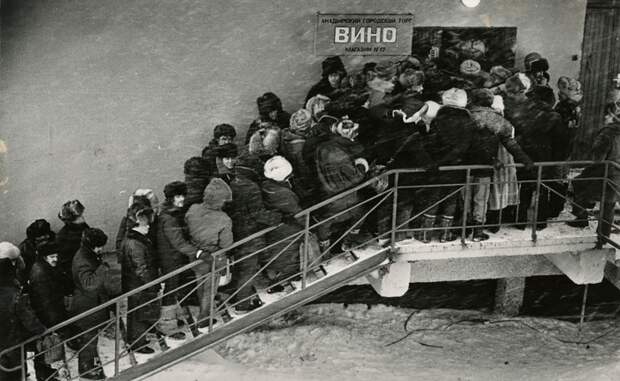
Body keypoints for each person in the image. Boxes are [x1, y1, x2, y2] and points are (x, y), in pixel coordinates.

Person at [468, 89, 534, 239]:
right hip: (484, 164)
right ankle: (477, 231)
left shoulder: (466, 115)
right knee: (480, 198)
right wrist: (526, 160)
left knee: (464, 197)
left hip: (462, 163)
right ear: (490, 102)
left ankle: (462, 228)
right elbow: (510, 143)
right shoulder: (496, 119)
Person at [414, 88, 474, 243]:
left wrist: (436, 161)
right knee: (451, 199)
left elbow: (431, 142)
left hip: (438, 166)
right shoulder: (467, 120)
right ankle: (445, 234)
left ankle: (425, 234)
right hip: (456, 166)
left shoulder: (439, 117)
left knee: (433, 197)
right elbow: (465, 145)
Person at [228, 153, 281, 313]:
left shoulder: (233, 183)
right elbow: (259, 213)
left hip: (237, 232)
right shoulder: (251, 187)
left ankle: (240, 296)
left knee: (245, 266)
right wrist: (278, 217)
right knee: (248, 269)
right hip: (250, 234)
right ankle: (242, 306)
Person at [504, 75, 558, 230]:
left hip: (524, 150)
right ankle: (540, 222)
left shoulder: (510, 107)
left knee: (525, 187)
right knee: (540, 187)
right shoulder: (538, 104)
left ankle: (520, 220)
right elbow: (554, 117)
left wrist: (526, 134)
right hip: (541, 149)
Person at [569, 88, 620, 239]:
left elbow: (597, 158)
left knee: (578, 183)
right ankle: (603, 236)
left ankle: (582, 216)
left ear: (610, 115)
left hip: (607, 173)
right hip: (617, 175)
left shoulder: (607, 133)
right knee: (608, 204)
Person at [315, 116, 371, 251]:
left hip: (327, 192)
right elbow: (356, 177)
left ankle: (324, 249)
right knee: (360, 214)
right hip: (343, 196)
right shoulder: (341, 155)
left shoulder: (322, 147)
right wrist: (362, 165)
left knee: (326, 223)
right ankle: (347, 242)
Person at [156, 181, 201, 339]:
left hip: (173, 259)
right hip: (171, 260)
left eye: (183, 195)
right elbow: (178, 242)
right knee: (171, 290)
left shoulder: (170, 213)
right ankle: (167, 325)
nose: (182, 199)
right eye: (178, 196)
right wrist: (199, 252)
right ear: (171, 198)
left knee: (175, 288)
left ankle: (173, 319)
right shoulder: (169, 218)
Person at [185, 178, 232, 328]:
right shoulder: (223, 219)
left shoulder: (193, 209)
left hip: (196, 256)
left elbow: (186, 228)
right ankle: (204, 319)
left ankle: (202, 311)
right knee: (209, 291)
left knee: (201, 286)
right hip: (213, 259)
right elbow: (226, 244)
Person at [0, 242, 46, 381]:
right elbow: (28, 318)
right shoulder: (14, 294)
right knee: (14, 372)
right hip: (12, 343)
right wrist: (42, 331)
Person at [29, 242, 72, 381]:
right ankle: (46, 376)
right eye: (52, 256)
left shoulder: (44, 268)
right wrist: (54, 325)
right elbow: (46, 302)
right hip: (47, 320)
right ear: (44, 258)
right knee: (45, 351)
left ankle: (48, 375)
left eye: (56, 256)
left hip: (48, 317)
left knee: (45, 351)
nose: (56, 259)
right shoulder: (41, 274)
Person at [261, 156, 307, 285]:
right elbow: (298, 214)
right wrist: (308, 226)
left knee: (277, 252)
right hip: (289, 229)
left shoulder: (266, 185)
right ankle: (288, 276)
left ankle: (273, 272)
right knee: (290, 253)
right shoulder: (284, 193)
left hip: (274, 227)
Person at [120, 205, 159, 354]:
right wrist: (153, 284)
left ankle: (135, 339)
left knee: (136, 313)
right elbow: (141, 268)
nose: (148, 226)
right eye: (146, 224)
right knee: (138, 315)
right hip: (139, 285)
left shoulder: (132, 239)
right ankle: (138, 344)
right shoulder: (135, 244)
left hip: (133, 285)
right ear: (138, 224)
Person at [70, 228, 109, 380]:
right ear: (93, 245)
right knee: (89, 339)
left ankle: (91, 365)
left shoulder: (86, 254)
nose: (101, 249)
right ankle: (86, 370)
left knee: (91, 339)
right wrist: (103, 269)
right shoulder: (83, 261)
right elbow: (89, 284)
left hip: (91, 303)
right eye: (99, 246)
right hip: (87, 305)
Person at [279, 109, 317, 206]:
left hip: (294, 175)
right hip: (302, 180)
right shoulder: (301, 146)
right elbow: (304, 168)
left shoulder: (285, 134)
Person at [56, 200, 89, 297]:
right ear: (72, 219)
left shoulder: (80, 228)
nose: (83, 217)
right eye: (80, 216)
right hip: (75, 274)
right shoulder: (67, 237)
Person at [18, 219, 55, 285]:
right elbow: (21, 271)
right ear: (33, 239)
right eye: (40, 240)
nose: (44, 242)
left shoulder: (55, 241)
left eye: (46, 239)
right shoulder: (24, 248)